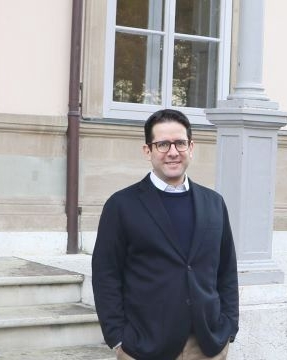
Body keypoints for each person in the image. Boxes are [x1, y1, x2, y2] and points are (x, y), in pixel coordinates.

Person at [92, 109, 239, 360]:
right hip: (144, 346)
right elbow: (106, 275)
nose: (172, 152)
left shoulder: (214, 203)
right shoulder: (121, 205)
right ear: (148, 151)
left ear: (191, 147)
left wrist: (229, 328)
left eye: (180, 143)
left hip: (206, 345)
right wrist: (118, 338)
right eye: (162, 144)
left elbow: (226, 270)